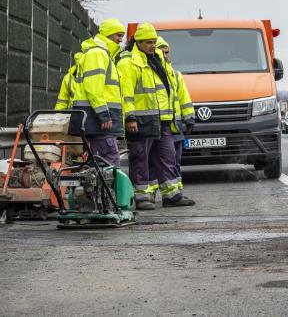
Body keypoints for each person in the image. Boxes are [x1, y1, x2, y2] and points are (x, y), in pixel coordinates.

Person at [118, 23, 195, 209]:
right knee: (140, 159)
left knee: (168, 158)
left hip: (163, 120)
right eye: (148, 42)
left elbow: (170, 91)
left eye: (154, 42)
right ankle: (142, 197)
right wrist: (130, 118)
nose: (153, 46)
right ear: (138, 42)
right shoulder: (128, 63)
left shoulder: (158, 60)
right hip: (141, 121)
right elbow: (125, 94)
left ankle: (172, 195)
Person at [70, 18, 126, 168]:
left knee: (99, 162)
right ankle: (108, 191)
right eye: (118, 35)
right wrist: (103, 115)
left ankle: (99, 191)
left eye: (122, 36)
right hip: (98, 120)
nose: (121, 40)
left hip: (96, 119)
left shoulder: (102, 54)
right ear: (108, 34)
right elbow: (93, 87)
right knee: (108, 162)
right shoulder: (97, 53)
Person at [156, 36, 195, 191]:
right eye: (162, 52)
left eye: (167, 53)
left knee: (175, 161)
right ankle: (151, 193)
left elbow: (184, 98)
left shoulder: (175, 74)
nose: (166, 56)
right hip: (158, 126)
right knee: (157, 162)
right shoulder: (149, 73)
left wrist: (189, 118)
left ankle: (176, 190)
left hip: (175, 127)